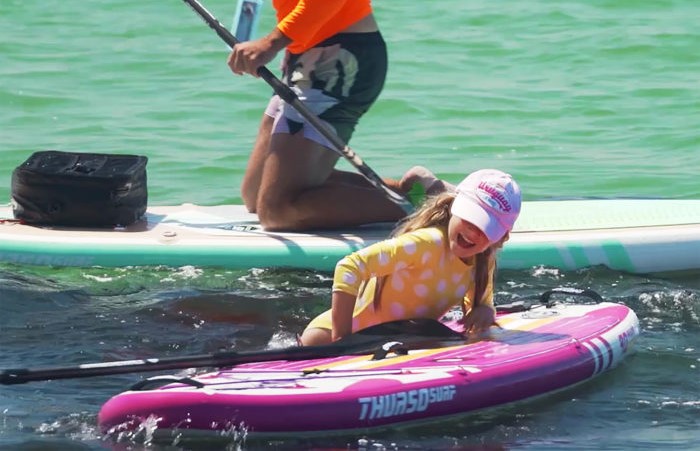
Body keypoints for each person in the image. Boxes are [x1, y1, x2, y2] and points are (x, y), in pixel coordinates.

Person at [227, 0, 407, 231]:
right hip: (304, 55)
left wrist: (271, 43)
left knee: (277, 210)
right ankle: (411, 190)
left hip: (340, 59)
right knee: (256, 192)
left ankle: (434, 206)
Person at [299, 168, 522, 346]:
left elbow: (481, 304)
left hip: (394, 343)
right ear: (454, 206)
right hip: (327, 341)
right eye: (469, 218)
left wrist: (483, 310)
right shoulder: (427, 244)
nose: (473, 232)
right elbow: (350, 267)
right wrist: (342, 341)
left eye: (484, 227)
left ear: (501, 237)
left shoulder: (482, 259)